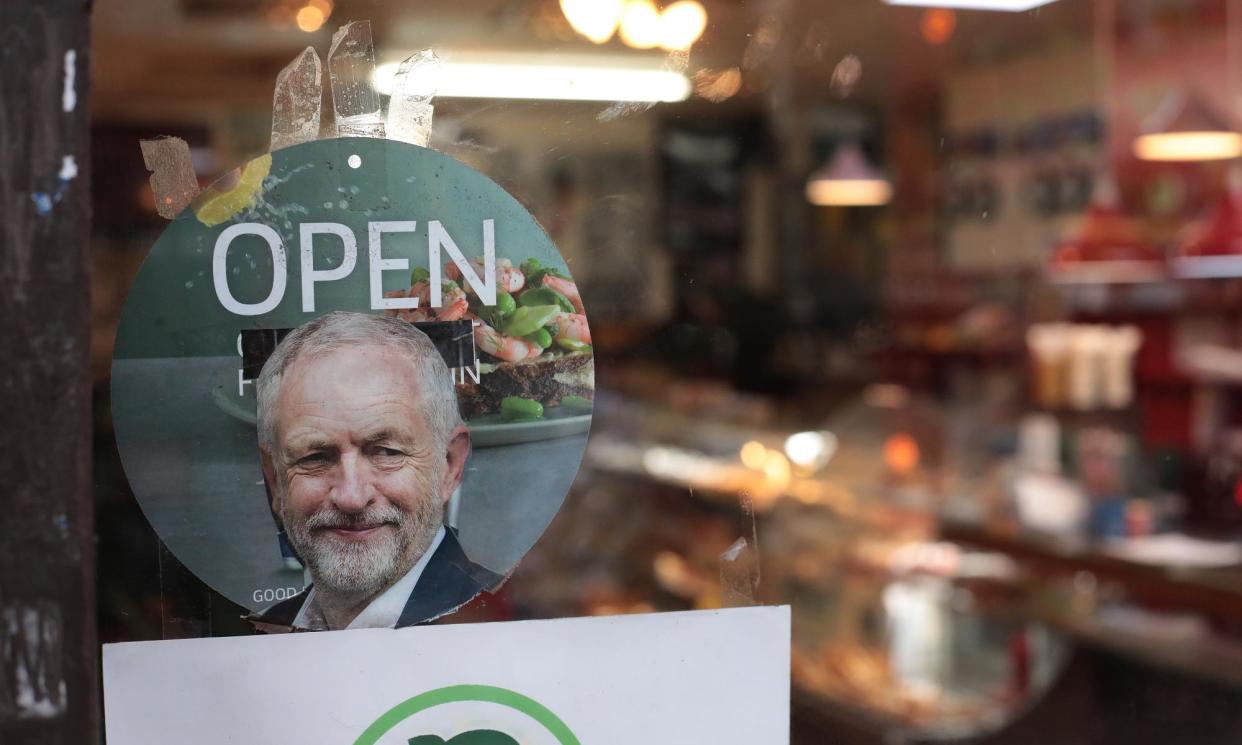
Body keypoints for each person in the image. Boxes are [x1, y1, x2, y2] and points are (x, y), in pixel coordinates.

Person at [248, 311, 500, 631]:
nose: (351, 497)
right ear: (274, 479)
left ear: (449, 466)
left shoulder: (510, 630)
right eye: (314, 458)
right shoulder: (262, 633)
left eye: (386, 452)